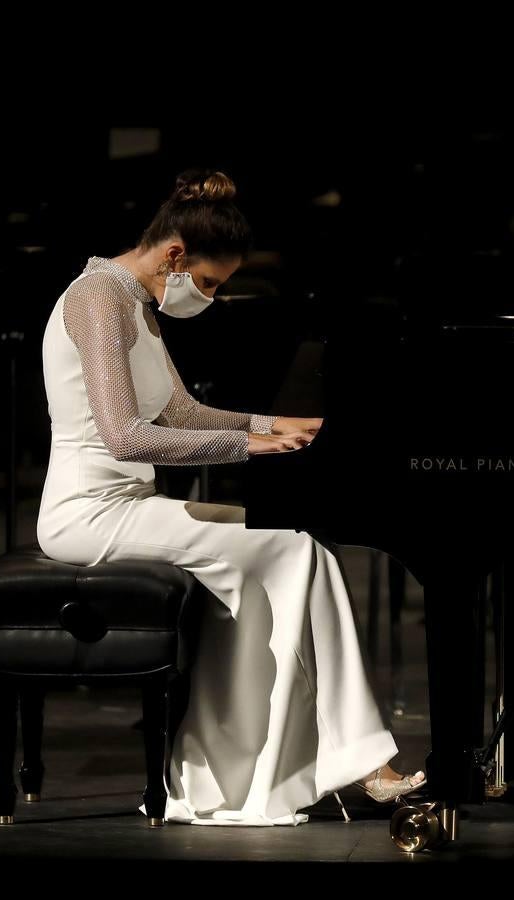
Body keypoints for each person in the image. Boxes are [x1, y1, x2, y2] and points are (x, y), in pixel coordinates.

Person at [36, 168, 424, 826]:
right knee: (293, 551)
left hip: (130, 508)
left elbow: (182, 412)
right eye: (210, 283)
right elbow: (127, 439)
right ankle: (356, 765)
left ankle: (247, 769)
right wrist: (250, 448)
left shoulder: (136, 302)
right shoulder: (98, 298)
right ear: (174, 255)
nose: (210, 299)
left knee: (301, 544)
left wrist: (280, 426)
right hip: (88, 515)